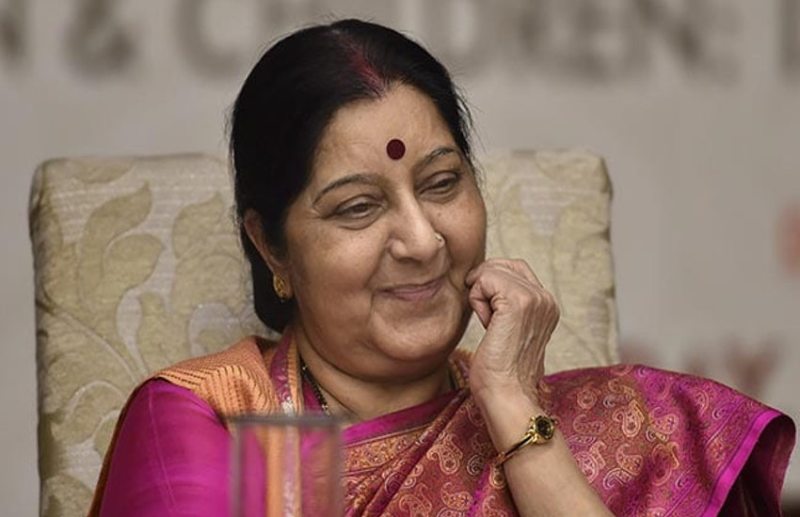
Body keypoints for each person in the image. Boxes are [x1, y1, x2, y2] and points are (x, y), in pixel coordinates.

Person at [89, 19, 794, 516]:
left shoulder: (621, 427)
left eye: (442, 183)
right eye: (359, 207)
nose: (423, 241)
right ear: (272, 246)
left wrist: (512, 407)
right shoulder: (225, 419)